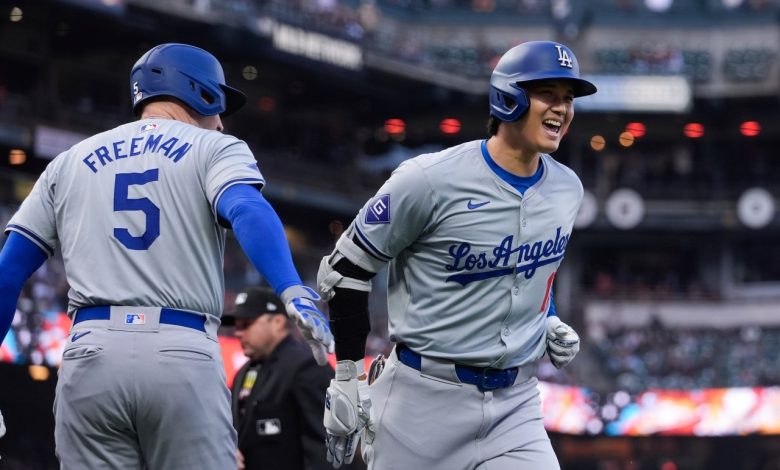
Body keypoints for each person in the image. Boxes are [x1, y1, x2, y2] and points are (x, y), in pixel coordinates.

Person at [0, 43, 332, 469]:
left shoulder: (69, 161)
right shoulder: (214, 148)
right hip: (180, 349)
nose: (221, 122)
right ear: (202, 93)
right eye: (220, 107)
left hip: (89, 353)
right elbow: (247, 208)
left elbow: (9, 273)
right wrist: (289, 286)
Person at [316, 40, 595, 469]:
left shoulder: (567, 188)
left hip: (515, 405)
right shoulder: (428, 179)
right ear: (509, 97)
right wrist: (348, 375)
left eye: (569, 99)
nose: (562, 109)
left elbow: (532, 271)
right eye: (549, 95)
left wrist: (549, 316)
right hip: (422, 403)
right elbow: (347, 269)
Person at [226, 287, 364, 470]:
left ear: (277, 322)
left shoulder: (306, 367)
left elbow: (327, 446)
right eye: (236, 325)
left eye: (247, 324)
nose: (238, 332)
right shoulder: (244, 371)